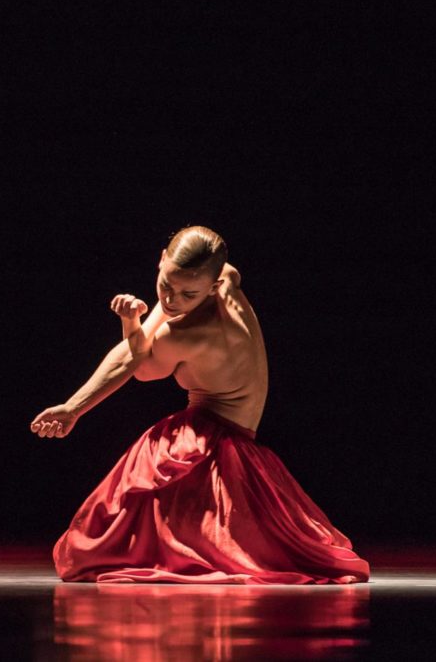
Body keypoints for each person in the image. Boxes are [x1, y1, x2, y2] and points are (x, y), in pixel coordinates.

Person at [30, 226, 368, 584]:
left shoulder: (193, 332)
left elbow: (139, 366)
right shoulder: (226, 277)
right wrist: (157, 313)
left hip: (215, 444)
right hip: (236, 438)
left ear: (210, 287)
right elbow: (173, 307)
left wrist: (127, 328)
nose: (172, 300)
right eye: (165, 285)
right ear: (162, 259)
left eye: (188, 294)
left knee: (131, 496)